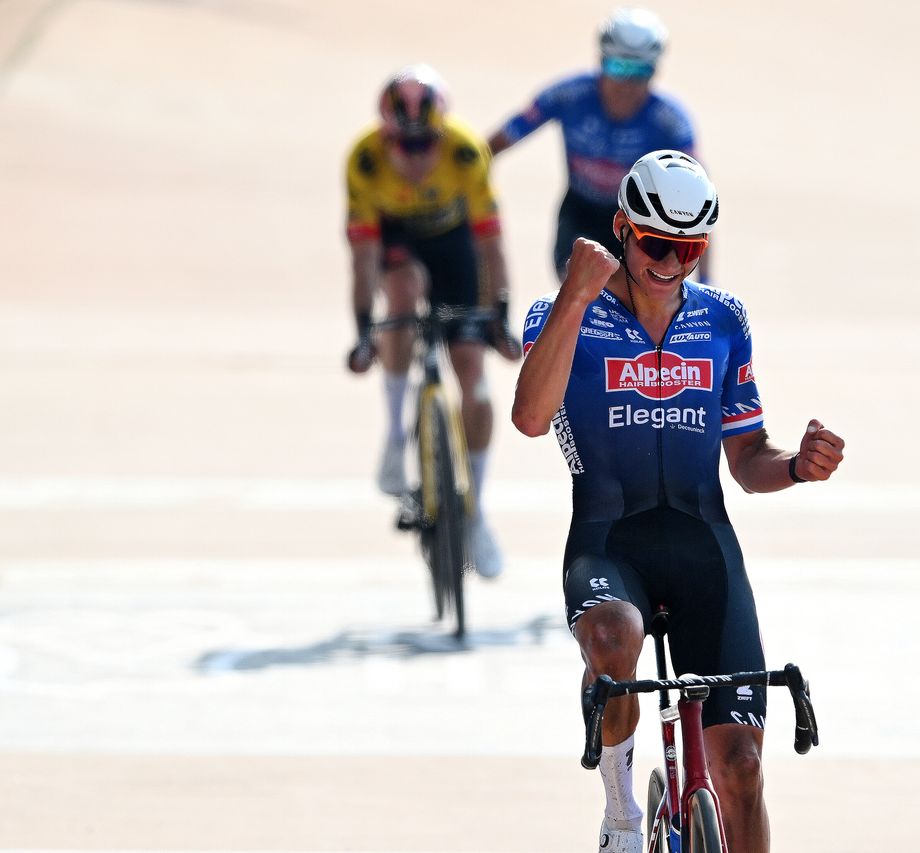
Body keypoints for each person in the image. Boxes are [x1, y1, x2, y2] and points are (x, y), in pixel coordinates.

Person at [511, 151, 845, 853]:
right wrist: (575, 296)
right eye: (657, 243)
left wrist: (798, 467)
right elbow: (530, 417)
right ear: (622, 230)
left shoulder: (723, 319)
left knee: (744, 769)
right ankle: (623, 815)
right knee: (612, 639)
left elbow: (749, 458)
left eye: (689, 248)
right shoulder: (559, 313)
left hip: (703, 547)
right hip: (611, 542)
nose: (671, 261)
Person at [344, 64, 520, 578]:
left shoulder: (467, 152)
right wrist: (362, 332)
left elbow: (491, 246)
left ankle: (476, 513)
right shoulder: (366, 162)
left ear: (442, 136)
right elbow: (362, 258)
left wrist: (500, 318)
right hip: (397, 242)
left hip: (454, 245)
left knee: (476, 385)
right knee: (402, 289)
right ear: (385, 135)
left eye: (426, 147)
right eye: (405, 145)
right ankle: (397, 439)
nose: (416, 158)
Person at [487, 7, 710, 281]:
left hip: (638, 221)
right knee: (580, 290)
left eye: (640, 70)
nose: (627, 83)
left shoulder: (671, 121)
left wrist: (707, 279)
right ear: (601, 60)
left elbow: (700, 204)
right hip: (580, 213)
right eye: (618, 67)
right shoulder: (568, 94)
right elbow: (494, 145)